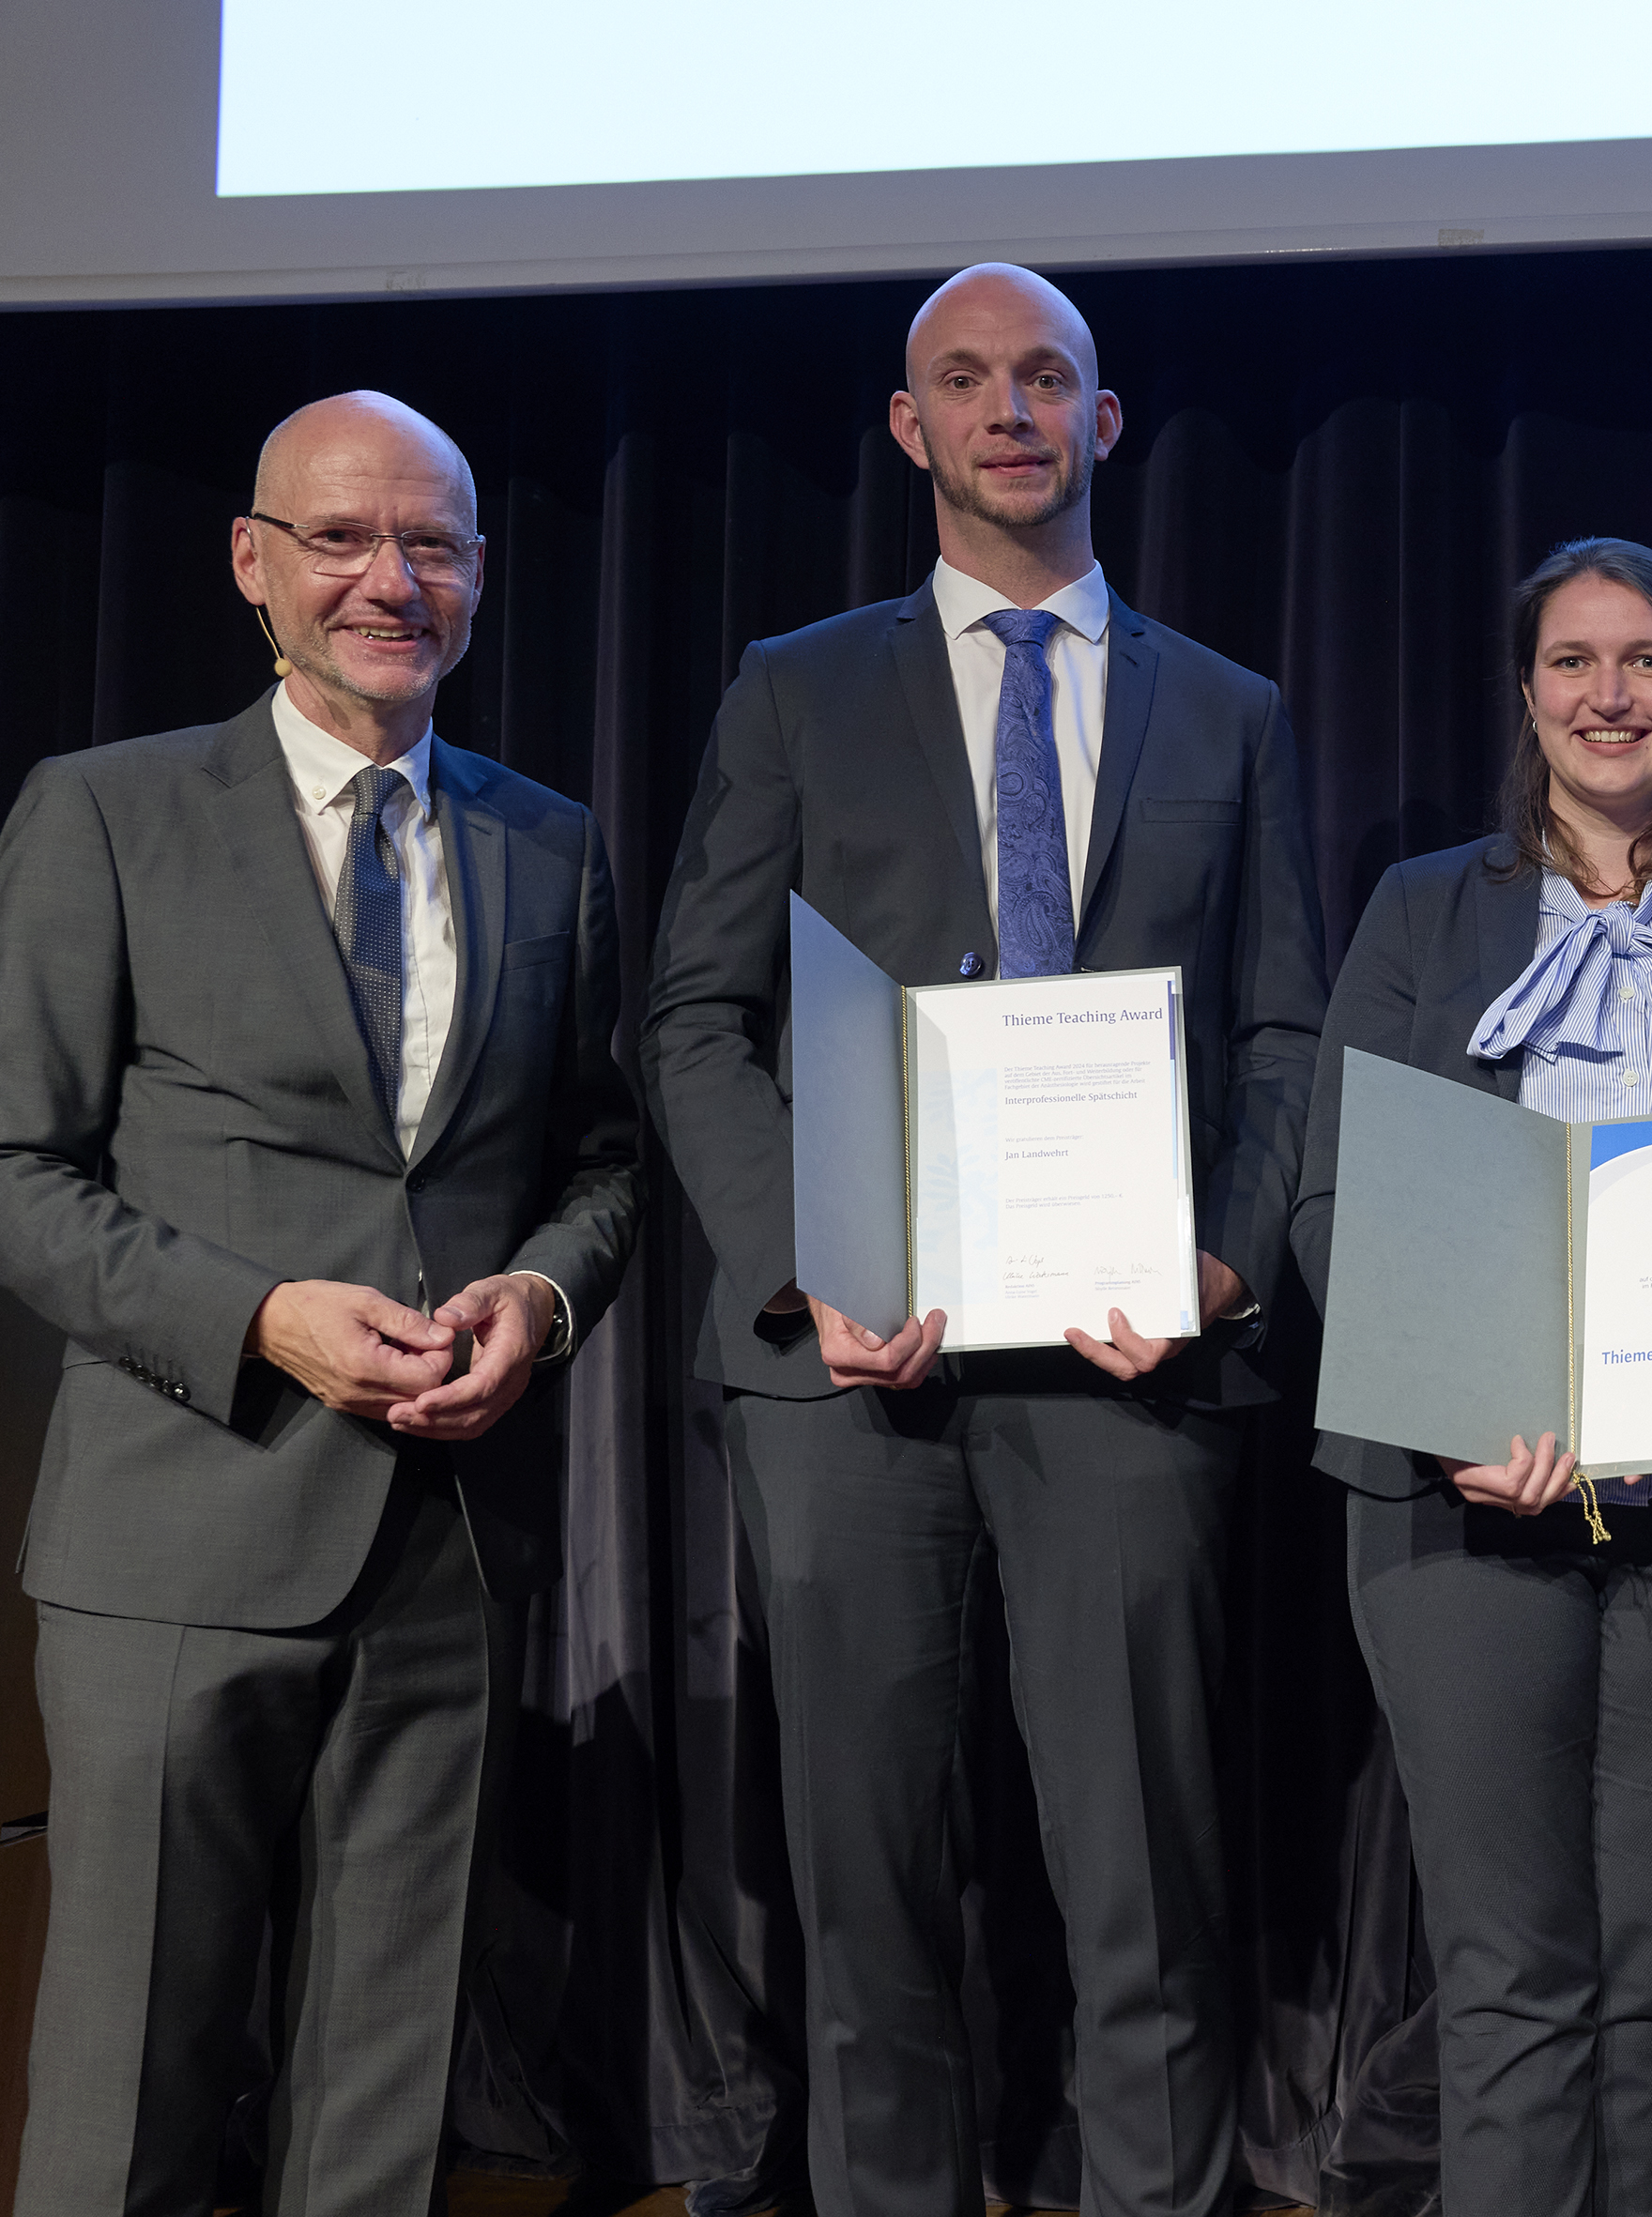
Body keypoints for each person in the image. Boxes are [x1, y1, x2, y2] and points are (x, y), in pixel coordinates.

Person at [640, 264, 1325, 2217]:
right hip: (851, 1370)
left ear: (1102, 422)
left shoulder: (1231, 707)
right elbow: (693, 1014)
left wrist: (1218, 1264)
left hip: (1130, 1369)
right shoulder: (797, 685)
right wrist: (808, 1260)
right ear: (908, 427)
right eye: (965, 379)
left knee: (1144, 1891)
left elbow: (1286, 1034)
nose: (1007, 408)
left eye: (1044, 377)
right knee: (864, 1898)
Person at [0, 392, 640, 2210]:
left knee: (383, 2096)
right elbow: (17, 1168)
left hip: (446, 1544)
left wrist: (541, 1297)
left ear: (480, 577)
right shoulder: (107, 811)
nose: (389, 580)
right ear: (251, 564)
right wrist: (258, 1314)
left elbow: (603, 1162)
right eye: (343, 538)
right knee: (129, 2086)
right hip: (175, 1536)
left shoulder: (551, 843)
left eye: (430, 544)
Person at [1288, 538, 1652, 2212]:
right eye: (1574, 661)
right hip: (1461, 1499)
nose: (1611, 694)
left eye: (1647, 660)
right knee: (1514, 1968)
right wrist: (1453, 1405)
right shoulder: (1422, 909)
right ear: (1528, 694)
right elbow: (1337, 1195)